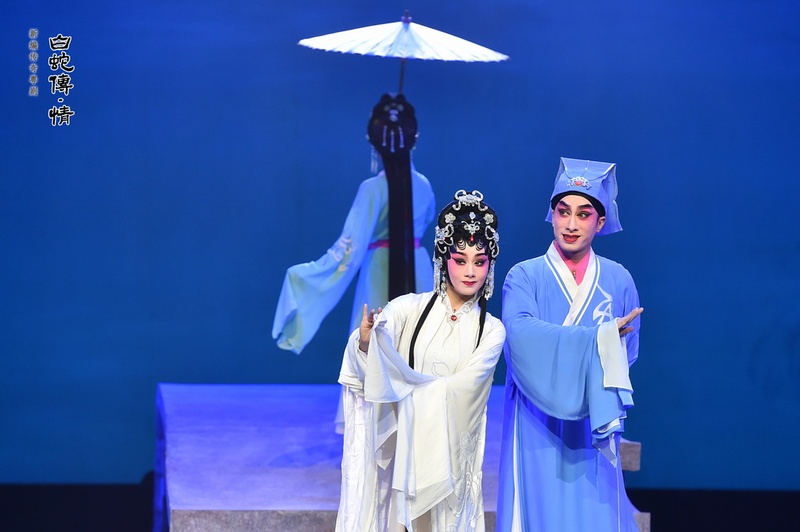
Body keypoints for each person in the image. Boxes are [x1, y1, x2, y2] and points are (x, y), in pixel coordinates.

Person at [336, 190, 505, 532]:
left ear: (490, 264)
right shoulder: (407, 309)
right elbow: (376, 348)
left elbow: (465, 390)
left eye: (479, 261)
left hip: (453, 466)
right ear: (443, 259)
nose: (470, 271)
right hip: (407, 457)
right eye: (460, 259)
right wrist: (367, 341)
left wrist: (406, 390)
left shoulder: (491, 330)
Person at [271, 95, 436, 431]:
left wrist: (307, 275)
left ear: (373, 143)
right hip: (419, 266)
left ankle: (373, 429)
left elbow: (350, 247)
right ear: (413, 140)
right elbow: (429, 218)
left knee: (373, 343)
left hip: (380, 269)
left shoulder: (372, 188)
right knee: (420, 343)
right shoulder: (424, 185)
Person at [496, 158, 644, 531]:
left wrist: (597, 362)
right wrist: (599, 338)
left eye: (583, 214)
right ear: (552, 215)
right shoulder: (524, 276)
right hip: (535, 421)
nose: (571, 224)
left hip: (593, 419)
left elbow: (627, 355)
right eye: (563, 212)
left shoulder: (619, 280)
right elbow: (519, 336)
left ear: (600, 222)